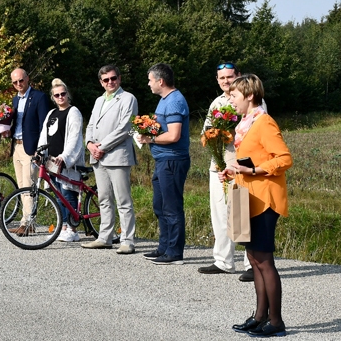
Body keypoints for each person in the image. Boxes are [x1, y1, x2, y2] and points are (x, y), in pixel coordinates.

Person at [219, 74, 293, 337]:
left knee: (264, 260)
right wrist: (234, 171)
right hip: (249, 198)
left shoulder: (264, 122)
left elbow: (284, 158)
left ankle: (276, 321)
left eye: (235, 96)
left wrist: (254, 170)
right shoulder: (246, 123)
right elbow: (251, 160)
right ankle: (260, 316)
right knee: (253, 259)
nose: (231, 101)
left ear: (250, 95)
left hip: (265, 200)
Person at [198, 63, 257, 281]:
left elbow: (254, 132)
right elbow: (205, 132)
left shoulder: (250, 99)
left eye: (230, 77)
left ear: (238, 76)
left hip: (240, 164)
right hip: (218, 164)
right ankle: (223, 261)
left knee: (241, 214)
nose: (226, 81)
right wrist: (212, 136)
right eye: (222, 78)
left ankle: (252, 264)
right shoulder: (217, 102)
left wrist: (230, 133)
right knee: (220, 213)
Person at [135, 63, 191, 265]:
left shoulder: (175, 101)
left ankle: (175, 252)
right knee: (160, 205)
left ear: (161, 81)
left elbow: (174, 135)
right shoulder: (164, 100)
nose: (148, 84)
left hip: (172, 160)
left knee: (172, 206)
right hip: (162, 160)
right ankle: (164, 247)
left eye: (150, 80)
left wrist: (149, 139)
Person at [82, 65, 138, 254]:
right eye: (106, 80)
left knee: (123, 200)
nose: (110, 82)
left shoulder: (128, 98)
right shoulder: (99, 100)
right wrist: (89, 144)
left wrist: (102, 147)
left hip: (117, 156)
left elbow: (125, 128)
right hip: (98, 157)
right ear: (101, 82)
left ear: (119, 78)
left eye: (113, 78)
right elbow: (90, 125)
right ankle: (105, 237)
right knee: (104, 198)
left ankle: (127, 241)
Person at [37, 78, 84, 242]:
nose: (60, 97)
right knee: (58, 195)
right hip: (52, 161)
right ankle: (63, 227)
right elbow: (44, 135)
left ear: (67, 94)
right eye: (56, 95)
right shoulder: (51, 113)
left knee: (67, 193)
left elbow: (74, 138)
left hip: (66, 162)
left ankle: (73, 229)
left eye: (63, 94)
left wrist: (64, 156)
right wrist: (39, 152)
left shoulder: (73, 112)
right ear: (53, 97)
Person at [6, 68, 50, 235]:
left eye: (21, 80)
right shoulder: (15, 99)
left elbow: (44, 126)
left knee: (29, 185)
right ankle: (25, 221)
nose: (18, 84)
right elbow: (17, 123)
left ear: (27, 79)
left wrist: (40, 150)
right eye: (15, 82)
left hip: (30, 148)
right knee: (21, 185)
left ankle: (29, 223)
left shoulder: (39, 97)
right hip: (17, 146)